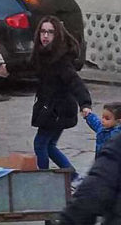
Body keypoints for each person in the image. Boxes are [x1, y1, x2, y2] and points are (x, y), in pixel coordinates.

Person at [17, 16, 91, 173]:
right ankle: (72, 176)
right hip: (50, 106)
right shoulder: (42, 55)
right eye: (43, 32)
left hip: (58, 109)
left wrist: (85, 104)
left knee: (41, 143)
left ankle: (45, 179)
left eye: (50, 32)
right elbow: (25, 66)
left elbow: (75, 83)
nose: (45, 36)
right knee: (49, 145)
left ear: (57, 35)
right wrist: (5, 68)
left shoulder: (60, 61)